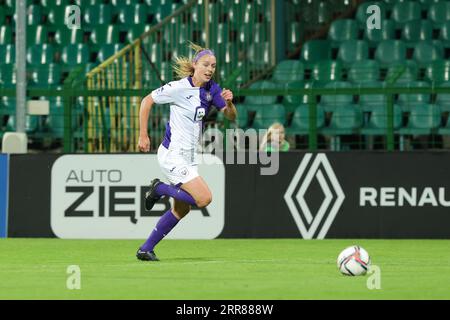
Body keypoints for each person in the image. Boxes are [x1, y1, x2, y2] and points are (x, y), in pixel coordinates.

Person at [136, 42, 237, 261]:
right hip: (172, 155)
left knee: (181, 210)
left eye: (213, 66)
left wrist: (229, 104)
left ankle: (145, 249)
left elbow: (231, 116)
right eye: (206, 65)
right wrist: (143, 134)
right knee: (204, 199)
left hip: (188, 159)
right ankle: (159, 188)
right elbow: (146, 101)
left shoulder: (213, 89)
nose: (210, 69)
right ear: (195, 65)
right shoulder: (179, 88)